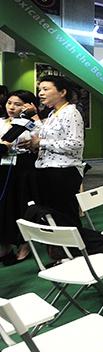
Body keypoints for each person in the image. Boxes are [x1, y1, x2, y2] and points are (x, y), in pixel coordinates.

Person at [29, 75, 103, 254]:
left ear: (62, 92)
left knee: (65, 218)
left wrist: (41, 143)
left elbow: (75, 144)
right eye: (40, 89)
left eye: (46, 89)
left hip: (63, 172)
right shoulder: (52, 113)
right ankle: (65, 253)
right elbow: (45, 136)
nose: (40, 93)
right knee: (54, 218)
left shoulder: (71, 113)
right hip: (46, 170)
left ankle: (100, 244)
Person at [0, 90, 39, 264]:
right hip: (3, 168)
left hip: (24, 169)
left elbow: (38, 142)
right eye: (9, 102)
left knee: (22, 205)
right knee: (4, 207)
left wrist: (32, 118)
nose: (11, 107)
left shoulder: (33, 124)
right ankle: (5, 245)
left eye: (18, 104)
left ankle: (25, 245)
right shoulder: (1, 122)